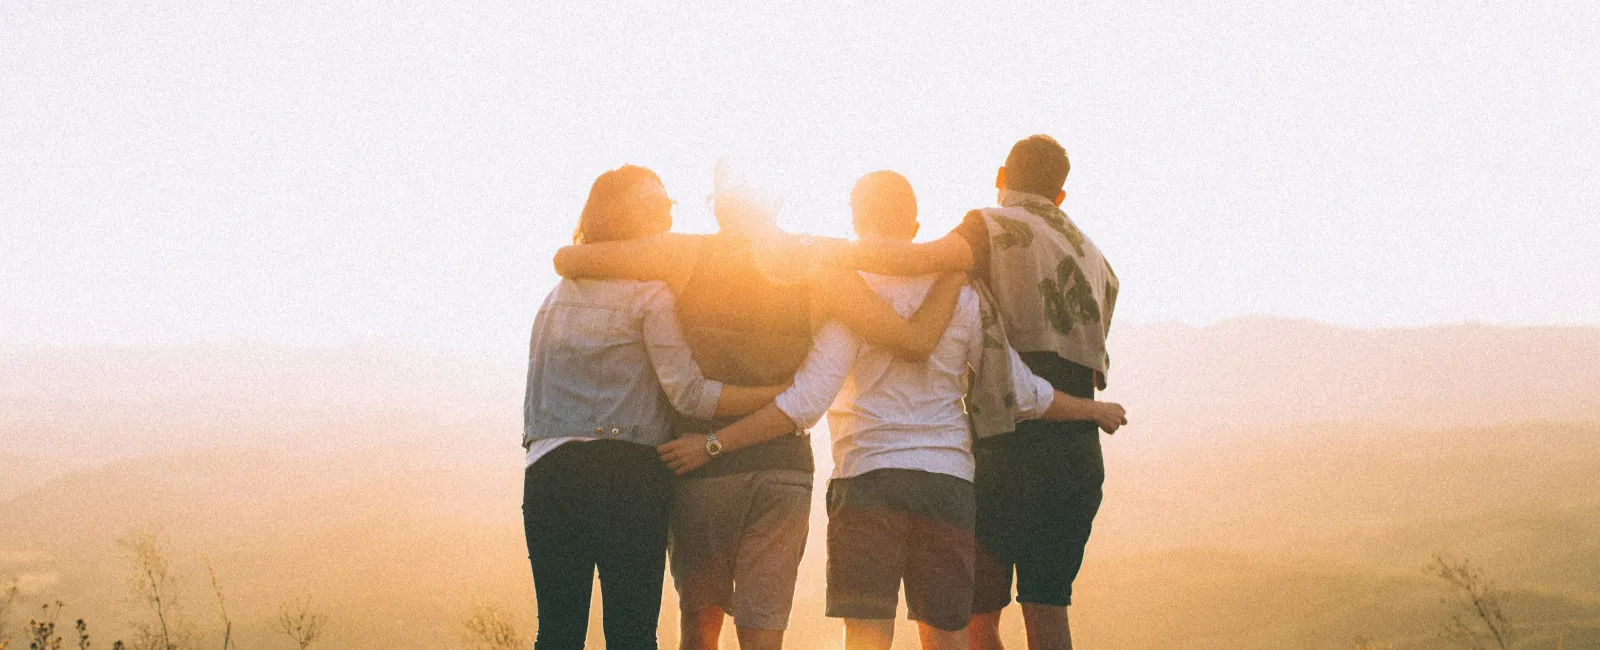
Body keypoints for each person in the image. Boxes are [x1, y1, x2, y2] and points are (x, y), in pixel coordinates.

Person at [659, 170, 1126, 650]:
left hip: (867, 481)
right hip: (947, 485)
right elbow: (1022, 392)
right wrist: (1093, 411)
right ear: (916, 226)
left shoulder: (849, 297)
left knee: (866, 639)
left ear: (856, 220)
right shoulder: (964, 295)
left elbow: (805, 402)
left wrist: (715, 444)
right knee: (947, 640)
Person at [551, 158, 966, 650]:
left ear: (721, 204)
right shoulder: (818, 262)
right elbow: (911, 338)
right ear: (776, 200)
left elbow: (569, 260)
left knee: (699, 634)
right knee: (764, 636)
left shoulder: (682, 255)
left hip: (700, 470)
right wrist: (956, 267)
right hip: (783, 468)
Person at [831, 137, 1120, 650]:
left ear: (1001, 174)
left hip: (1008, 445)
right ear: (1061, 196)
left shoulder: (993, 225)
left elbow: (919, 260)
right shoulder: (1095, 257)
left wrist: (823, 253)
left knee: (976, 619)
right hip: (1077, 449)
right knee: (1049, 611)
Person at [522, 165, 792, 650]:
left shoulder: (554, 298)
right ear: (618, 214)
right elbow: (689, 394)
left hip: (548, 473)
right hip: (627, 474)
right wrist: (774, 395)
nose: (666, 214)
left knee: (557, 631)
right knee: (631, 633)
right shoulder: (651, 293)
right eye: (652, 205)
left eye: (668, 204)